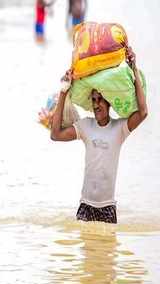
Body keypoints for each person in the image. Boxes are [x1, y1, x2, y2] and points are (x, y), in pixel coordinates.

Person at [50, 47, 147, 224]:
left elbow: (143, 112)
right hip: (85, 206)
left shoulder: (120, 129)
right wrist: (64, 91)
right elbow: (55, 135)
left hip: (108, 208)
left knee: (108, 251)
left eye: (100, 99)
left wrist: (133, 68)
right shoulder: (86, 126)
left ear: (109, 102)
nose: (96, 104)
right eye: (93, 100)